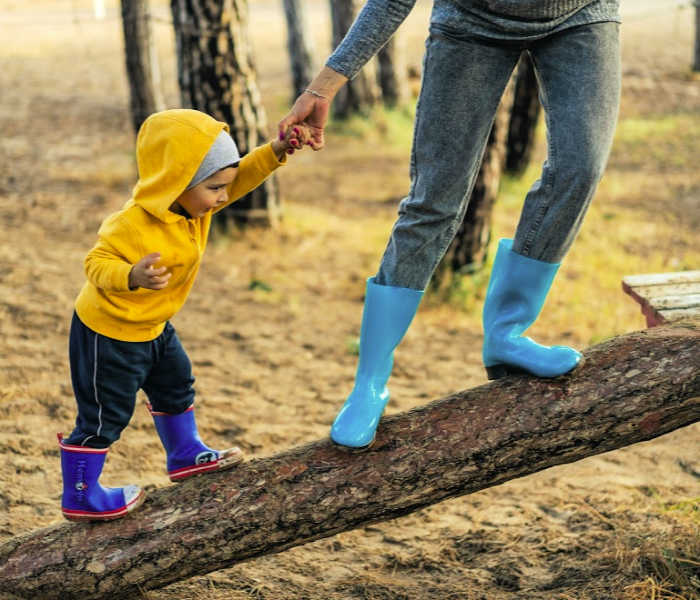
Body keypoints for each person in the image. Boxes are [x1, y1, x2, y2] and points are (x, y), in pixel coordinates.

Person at [279, 0, 621, 449]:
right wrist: (324, 87)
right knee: (434, 202)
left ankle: (507, 333)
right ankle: (370, 384)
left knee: (580, 169)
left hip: (582, 13)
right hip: (471, 21)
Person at [59, 108, 309, 521]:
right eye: (214, 188)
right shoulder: (131, 223)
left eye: (223, 187)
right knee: (105, 415)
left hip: (155, 326)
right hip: (110, 333)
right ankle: (81, 493)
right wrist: (130, 275)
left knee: (176, 383)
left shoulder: (197, 205)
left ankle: (185, 453)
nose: (223, 197)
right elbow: (94, 262)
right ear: (177, 182)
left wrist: (277, 150)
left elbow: (240, 177)